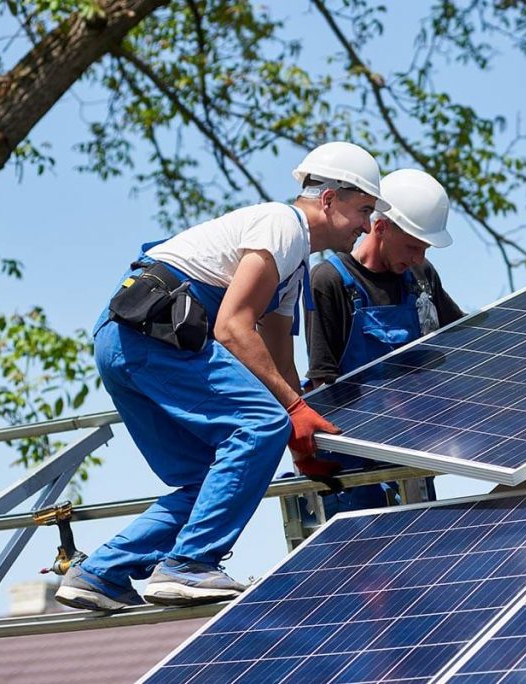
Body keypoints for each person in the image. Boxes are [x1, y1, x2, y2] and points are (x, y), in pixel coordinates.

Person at [56, 142, 389, 611]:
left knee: (208, 480)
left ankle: (101, 573)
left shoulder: (292, 266)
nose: (364, 224)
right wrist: (289, 414)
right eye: (363, 209)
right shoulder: (282, 226)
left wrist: (299, 431)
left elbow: (276, 353)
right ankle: (189, 564)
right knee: (257, 427)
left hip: (123, 341)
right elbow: (233, 327)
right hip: (158, 338)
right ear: (329, 200)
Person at [303, 168, 463, 517]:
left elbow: (463, 342)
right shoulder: (329, 280)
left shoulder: (422, 276)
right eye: (412, 247)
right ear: (380, 227)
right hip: (353, 462)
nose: (418, 259)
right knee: (367, 563)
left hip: (412, 447)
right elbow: (321, 383)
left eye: (424, 249)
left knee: (424, 548)